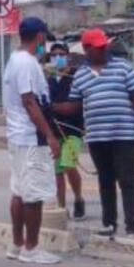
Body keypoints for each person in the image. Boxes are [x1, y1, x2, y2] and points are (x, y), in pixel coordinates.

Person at [57, 28, 134, 238]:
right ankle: (109, 223)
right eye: (98, 47)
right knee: (105, 181)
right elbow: (73, 106)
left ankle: (132, 227)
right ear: (86, 49)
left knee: (127, 181)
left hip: (124, 135)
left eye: (104, 46)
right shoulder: (80, 75)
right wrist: (50, 107)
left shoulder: (123, 67)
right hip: (97, 138)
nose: (103, 50)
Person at [1, 17, 62, 264]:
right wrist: (49, 135)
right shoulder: (26, 63)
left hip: (17, 136)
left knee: (18, 192)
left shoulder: (15, 59)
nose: (45, 43)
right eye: (44, 38)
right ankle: (31, 248)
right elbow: (29, 101)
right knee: (33, 195)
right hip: (30, 137)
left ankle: (16, 245)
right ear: (38, 36)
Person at [47, 42, 85, 219]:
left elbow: (75, 106)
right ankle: (62, 208)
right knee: (57, 172)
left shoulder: (76, 77)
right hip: (54, 130)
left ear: (68, 56)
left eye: (60, 54)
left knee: (69, 165)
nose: (57, 58)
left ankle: (78, 198)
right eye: (53, 55)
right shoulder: (49, 79)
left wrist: (57, 107)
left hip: (73, 129)